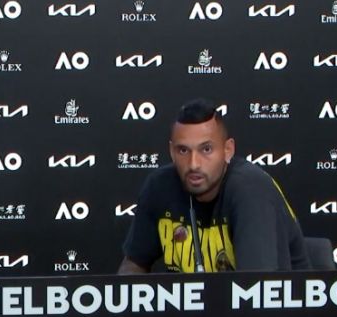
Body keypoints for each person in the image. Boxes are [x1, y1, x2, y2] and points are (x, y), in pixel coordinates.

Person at [118, 98, 309, 273]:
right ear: (171, 152)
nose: (194, 164)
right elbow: (133, 265)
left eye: (206, 149)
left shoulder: (251, 189)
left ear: (228, 150)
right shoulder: (159, 185)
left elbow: (256, 286)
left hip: (274, 299)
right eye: (183, 150)